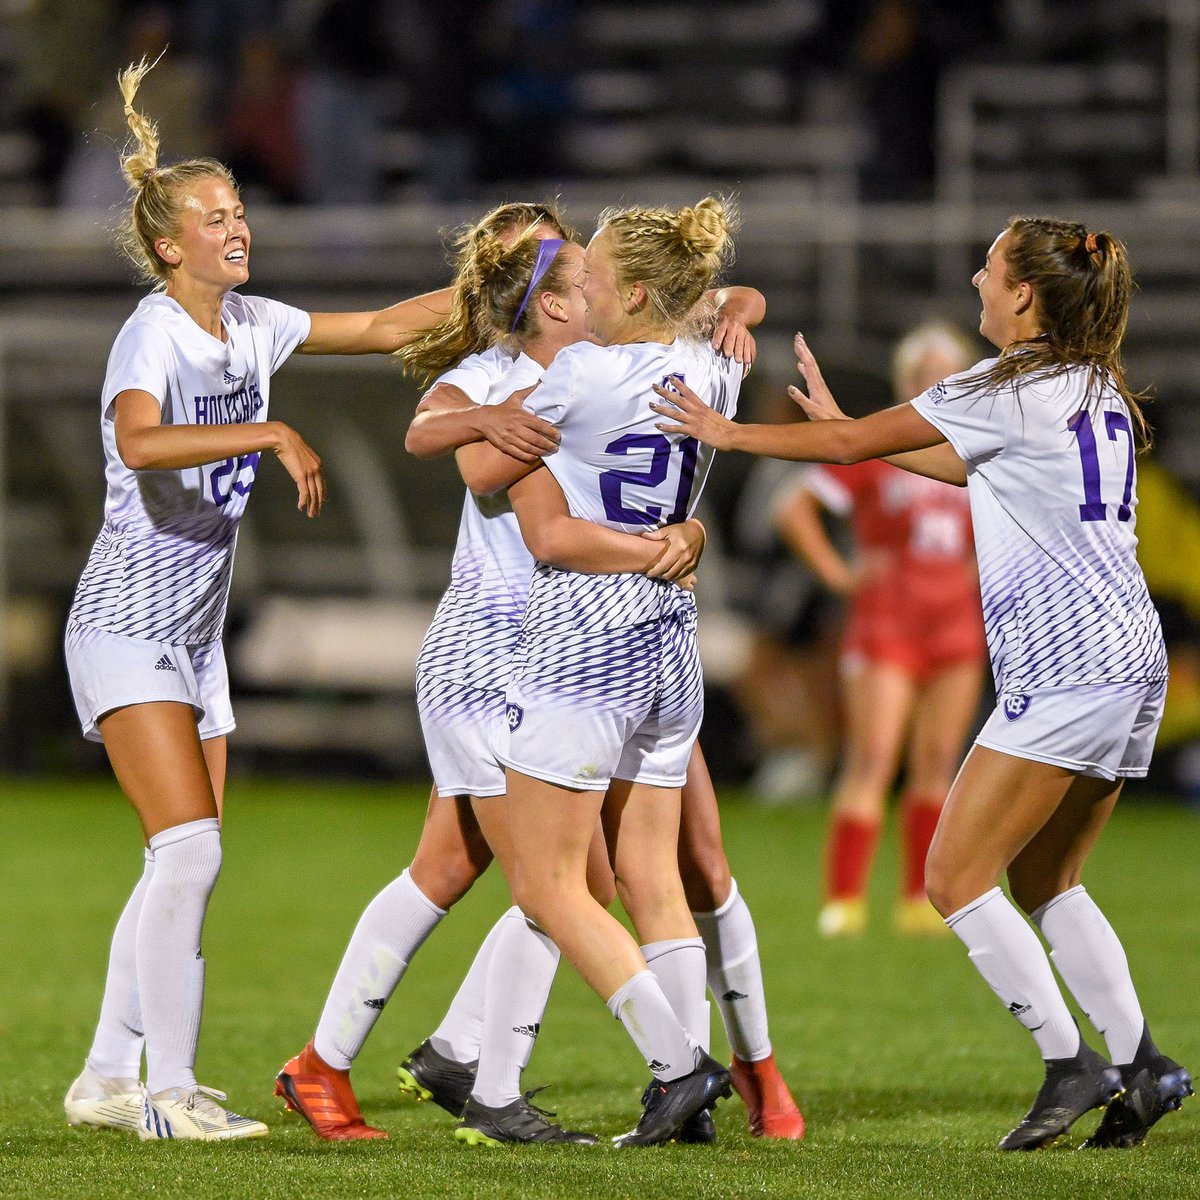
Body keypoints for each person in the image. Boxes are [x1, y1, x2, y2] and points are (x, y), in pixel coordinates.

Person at [652, 215, 1193, 1150]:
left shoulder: (1000, 383)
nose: (976, 279)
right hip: (1129, 657)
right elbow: (953, 464)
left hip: (1066, 664)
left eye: (987, 267)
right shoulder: (1088, 384)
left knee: (952, 876)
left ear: (1023, 294)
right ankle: (1143, 1063)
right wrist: (847, 430)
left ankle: (1072, 1063)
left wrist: (725, 433)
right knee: (1047, 876)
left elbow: (854, 450)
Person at [61, 54, 459, 1142]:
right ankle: (169, 1096)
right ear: (166, 243)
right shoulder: (156, 331)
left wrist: (494, 287)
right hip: (125, 623)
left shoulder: (252, 324)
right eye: (214, 214)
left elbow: (382, 329)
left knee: (183, 859)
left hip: (192, 639)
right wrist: (272, 429)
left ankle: (107, 1073)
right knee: (189, 853)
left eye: (238, 208)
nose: (236, 225)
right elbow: (140, 441)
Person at [276, 206, 704, 1146]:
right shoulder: (498, 374)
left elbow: (715, 307)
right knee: (567, 881)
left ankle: (339, 1064)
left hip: (549, 660)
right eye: (571, 267)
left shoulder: (602, 371)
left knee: (447, 867)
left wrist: (734, 306)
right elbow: (451, 449)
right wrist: (493, 419)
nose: (590, 279)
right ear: (546, 295)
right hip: (486, 654)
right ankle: (496, 1085)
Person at [468, 197, 760, 1146]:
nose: (576, 286)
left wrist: (488, 415)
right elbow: (736, 304)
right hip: (673, 641)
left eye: (590, 274)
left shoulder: (579, 377)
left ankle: (678, 1067)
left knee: (550, 885)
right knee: (654, 878)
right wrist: (737, 315)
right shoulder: (709, 366)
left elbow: (486, 477)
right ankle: (667, 1111)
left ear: (634, 292)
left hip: (582, 638)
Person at [775, 322, 986, 937]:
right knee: (872, 757)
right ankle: (843, 900)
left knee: (939, 760)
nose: (940, 384)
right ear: (908, 381)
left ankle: (918, 898)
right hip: (887, 621)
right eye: (928, 374)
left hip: (956, 623)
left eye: (950, 373)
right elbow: (794, 508)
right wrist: (841, 575)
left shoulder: (974, 446)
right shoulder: (885, 439)